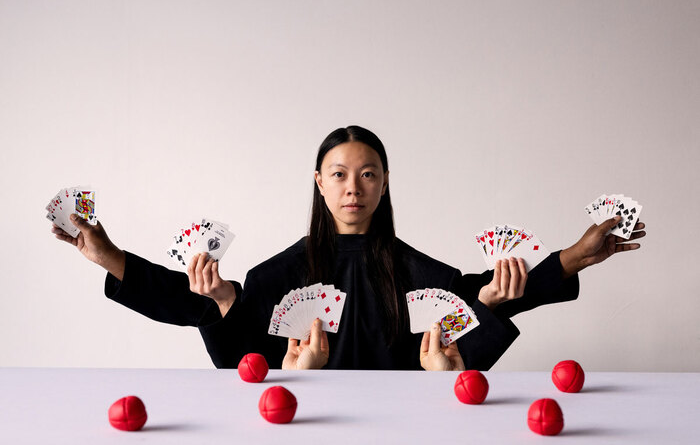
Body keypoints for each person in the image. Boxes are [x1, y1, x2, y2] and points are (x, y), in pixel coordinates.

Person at [51, 126, 646, 371]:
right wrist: (108, 255)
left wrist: (574, 254)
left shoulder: (419, 272)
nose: (352, 187)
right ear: (319, 183)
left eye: (367, 174)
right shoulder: (278, 275)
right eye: (338, 174)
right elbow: (192, 302)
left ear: (384, 183)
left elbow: (484, 301)